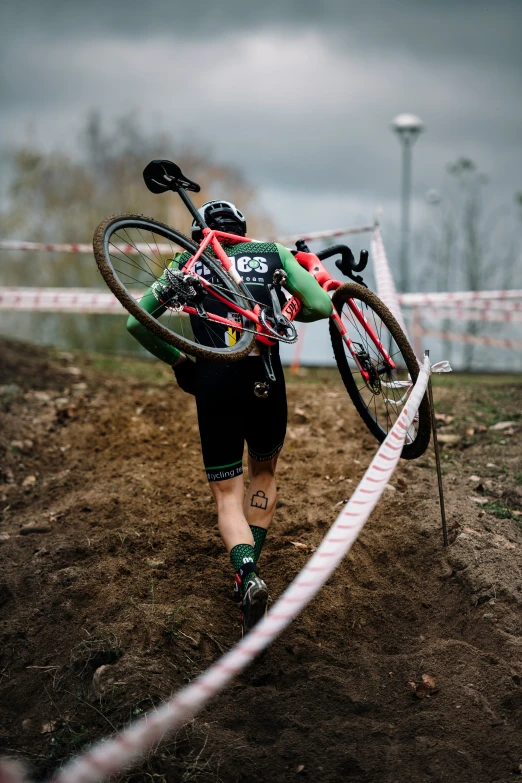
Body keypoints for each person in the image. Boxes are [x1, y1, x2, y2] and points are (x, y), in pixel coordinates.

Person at [127, 200, 332, 634]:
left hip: (213, 378)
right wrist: (287, 311)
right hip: (266, 373)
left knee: (226, 495)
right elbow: (321, 305)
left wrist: (180, 362)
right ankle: (249, 570)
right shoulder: (272, 251)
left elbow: (136, 323)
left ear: (199, 234)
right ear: (241, 229)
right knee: (264, 472)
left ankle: (246, 574)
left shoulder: (186, 261)